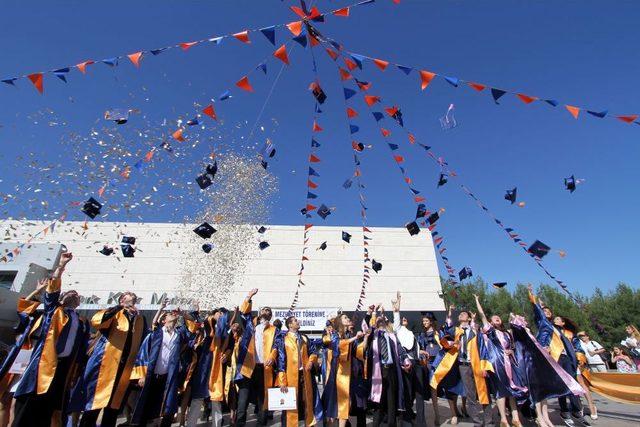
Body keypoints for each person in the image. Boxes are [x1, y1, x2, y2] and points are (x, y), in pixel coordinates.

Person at [11, 252, 91, 427]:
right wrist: (61, 266)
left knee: (49, 408)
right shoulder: (54, 311)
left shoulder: (81, 322)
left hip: (64, 367)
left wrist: (76, 371)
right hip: (44, 363)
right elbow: (52, 290)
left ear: (78, 302)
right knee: (28, 403)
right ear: (62, 298)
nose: (73, 294)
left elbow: (82, 348)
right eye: (70, 293)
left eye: (76, 295)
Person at [74, 290, 147, 427]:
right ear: (121, 301)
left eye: (134, 301)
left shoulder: (140, 319)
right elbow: (97, 322)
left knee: (113, 408)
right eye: (129, 300)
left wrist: (140, 371)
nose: (132, 303)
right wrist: (119, 308)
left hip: (124, 369)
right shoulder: (114, 314)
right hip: (105, 366)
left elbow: (143, 345)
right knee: (94, 405)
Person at [527, 285, 590, 425]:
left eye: (549, 311)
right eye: (544, 311)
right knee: (560, 385)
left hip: (566, 358)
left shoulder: (562, 331)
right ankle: (565, 412)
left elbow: (576, 345)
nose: (547, 312)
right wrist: (532, 297)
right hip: (553, 358)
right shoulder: (543, 324)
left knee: (573, 385)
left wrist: (579, 357)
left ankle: (577, 412)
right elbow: (537, 311)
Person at [509, 313, 584, 427]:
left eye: (523, 318)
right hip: (528, 364)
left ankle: (546, 417)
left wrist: (545, 348)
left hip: (537, 363)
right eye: (521, 318)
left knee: (543, 392)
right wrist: (514, 317)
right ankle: (539, 418)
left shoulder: (529, 332)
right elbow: (515, 326)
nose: (524, 319)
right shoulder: (520, 333)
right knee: (536, 392)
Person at [130, 300, 198, 426]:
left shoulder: (179, 334)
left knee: (167, 406)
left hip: (168, 376)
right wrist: (142, 374)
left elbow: (193, 325)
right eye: (168, 314)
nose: (172, 314)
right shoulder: (156, 333)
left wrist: (183, 313)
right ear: (163, 320)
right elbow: (144, 353)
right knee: (146, 405)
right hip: (152, 375)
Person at [432, 304, 491, 427]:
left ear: (469, 319)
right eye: (460, 314)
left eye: (463, 314)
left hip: (476, 365)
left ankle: (489, 422)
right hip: (463, 366)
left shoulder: (475, 330)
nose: (460, 315)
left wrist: (484, 366)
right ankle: (477, 422)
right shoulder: (457, 331)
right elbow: (447, 329)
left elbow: (483, 349)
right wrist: (449, 313)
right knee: (470, 395)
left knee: (483, 392)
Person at [0, 279, 47, 427]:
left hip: (28, 362)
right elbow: (23, 307)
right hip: (14, 360)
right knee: (3, 401)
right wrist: (37, 291)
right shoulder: (24, 320)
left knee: (14, 402)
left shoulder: (45, 320)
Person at [473, 295, 525, 427]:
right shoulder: (490, 332)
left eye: (498, 317)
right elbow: (482, 315)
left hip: (510, 363)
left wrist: (511, 351)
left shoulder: (507, 333)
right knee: (501, 390)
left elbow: (513, 346)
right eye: (494, 317)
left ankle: (515, 418)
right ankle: (503, 419)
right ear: (490, 322)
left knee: (513, 390)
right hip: (497, 363)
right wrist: (477, 301)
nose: (497, 317)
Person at [232, 289, 279, 426]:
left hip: (263, 368)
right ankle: (240, 423)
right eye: (265, 310)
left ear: (270, 316)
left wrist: (273, 356)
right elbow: (243, 312)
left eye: (269, 312)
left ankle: (261, 423)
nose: (267, 312)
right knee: (243, 399)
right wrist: (249, 297)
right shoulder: (251, 324)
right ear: (260, 313)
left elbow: (277, 345)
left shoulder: (274, 330)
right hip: (248, 367)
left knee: (262, 399)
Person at [366, 306, 411, 427]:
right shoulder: (372, 336)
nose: (381, 323)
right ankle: (375, 424)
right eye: (378, 321)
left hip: (391, 370)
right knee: (378, 401)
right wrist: (372, 314)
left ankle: (392, 424)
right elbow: (366, 326)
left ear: (386, 323)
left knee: (391, 400)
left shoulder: (391, 336)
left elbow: (400, 350)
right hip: (378, 371)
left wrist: (406, 360)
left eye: (383, 321)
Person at [276, 316, 323, 427]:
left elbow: (313, 352)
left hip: (304, 375)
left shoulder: (304, 338)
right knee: (290, 405)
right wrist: (282, 380)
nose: (298, 322)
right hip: (290, 376)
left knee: (306, 402)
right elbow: (281, 361)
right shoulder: (283, 339)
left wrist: (311, 361)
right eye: (295, 321)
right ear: (290, 325)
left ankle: (309, 424)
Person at [321, 313, 365, 426]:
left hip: (347, 372)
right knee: (333, 404)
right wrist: (355, 337)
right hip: (336, 371)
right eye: (345, 317)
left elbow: (357, 351)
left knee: (346, 403)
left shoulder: (348, 334)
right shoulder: (335, 334)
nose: (348, 319)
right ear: (340, 321)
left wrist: (366, 339)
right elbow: (338, 346)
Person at [391, 292, 426, 425]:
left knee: (420, 394)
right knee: (407, 392)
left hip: (417, 364)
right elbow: (396, 322)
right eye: (402, 319)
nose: (404, 319)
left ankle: (422, 422)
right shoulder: (398, 330)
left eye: (405, 319)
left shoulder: (411, 333)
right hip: (407, 364)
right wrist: (397, 310)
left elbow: (414, 346)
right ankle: (406, 420)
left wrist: (420, 351)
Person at [416, 312, 441, 425]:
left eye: (426, 321)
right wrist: (421, 352)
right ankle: (437, 415)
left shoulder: (438, 333)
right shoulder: (422, 335)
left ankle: (454, 412)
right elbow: (419, 348)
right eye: (423, 321)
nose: (424, 323)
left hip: (439, 362)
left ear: (431, 321)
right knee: (433, 390)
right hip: (428, 364)